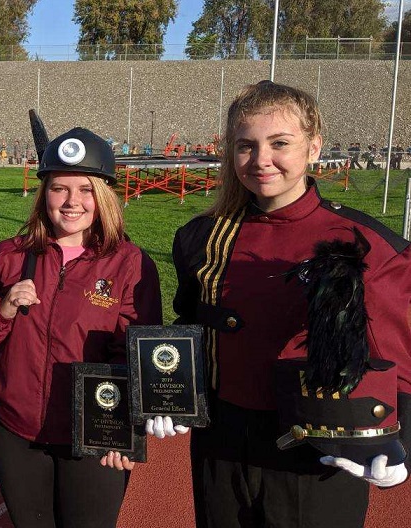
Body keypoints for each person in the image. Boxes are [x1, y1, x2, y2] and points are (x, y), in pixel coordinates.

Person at [170, 80, 410, 528]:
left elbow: (403, 350)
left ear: (314, 147)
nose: (261, 160)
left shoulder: (365, 242)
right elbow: (191, 321)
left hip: (320, 443)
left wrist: (401, 439)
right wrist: (168, 395)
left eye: (280, 143)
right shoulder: (201, 237)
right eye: (246, 146)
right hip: (222, 440)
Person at [0, 127, 162, 527]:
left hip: (93, 434)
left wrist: (125, 431)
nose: (72, 202)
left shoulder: (130, 263)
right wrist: (4, 308)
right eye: (59, 189)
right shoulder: (8, 255)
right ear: (43, 194)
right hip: (17, 431)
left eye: (86, 189)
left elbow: (137, 355)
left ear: (104, 196)